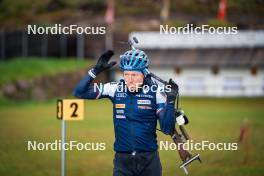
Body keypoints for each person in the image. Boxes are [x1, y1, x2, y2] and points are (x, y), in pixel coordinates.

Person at [73, 49, 182, 176]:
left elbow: (167, 128)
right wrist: (94, 71)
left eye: (134, 75)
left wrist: (170, 101)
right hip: (122, 161)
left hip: (149, 161)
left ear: (144, 74)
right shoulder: (115, 89)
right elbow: (79, 92)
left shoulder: (156, 92)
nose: (129, 80)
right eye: (126, 74)